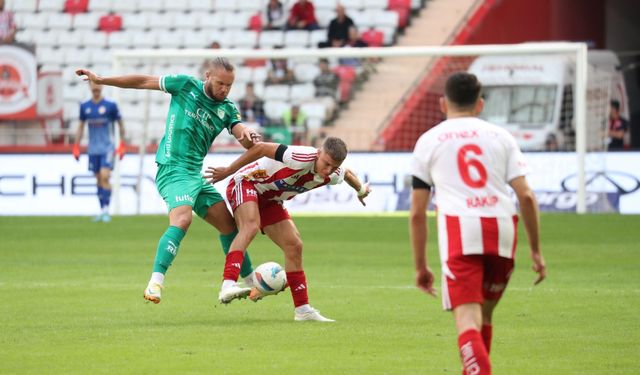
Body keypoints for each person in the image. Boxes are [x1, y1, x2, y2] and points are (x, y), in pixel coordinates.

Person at [75, 57, 261, 305]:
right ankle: (155, 282)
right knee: (182, 219)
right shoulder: (185, 85)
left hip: (195, 174)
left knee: (229, 227)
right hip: (173, 169)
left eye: (229, 85)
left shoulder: (227, 108)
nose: (224, 89)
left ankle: (251, 284)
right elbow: (142, 81)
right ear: (207, 76)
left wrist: (248, 135)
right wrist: (102, 80)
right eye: (220, 83)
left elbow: (241, 134)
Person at [409, 72, 546, 374]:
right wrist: (536, 251)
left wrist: (420, 265)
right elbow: (526, 197)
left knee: (467, 321)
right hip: (503, 230)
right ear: (480, 104)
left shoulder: (429, 140)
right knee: (484, 318)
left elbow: (418, 212)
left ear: (443, 104)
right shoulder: (501, 137)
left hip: (462, 230)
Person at [205, 138, 371, 320]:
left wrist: (361, 189)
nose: (328, 170)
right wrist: (228, 171)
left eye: (334, 166)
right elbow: (260, 148)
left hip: (270, 199)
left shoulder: (333, 173)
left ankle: (303, 310)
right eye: (327, 163)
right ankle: (228, 285)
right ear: (318, 153)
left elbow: (346, 174)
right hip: (246, 182)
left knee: (294, 245)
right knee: (250, 226)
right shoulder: (299, 156)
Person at [73, 81, 126, 223]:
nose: (96, 87)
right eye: (93, 85)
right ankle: (102, 209)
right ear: (89, 86)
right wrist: (76, 146)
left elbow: (120, 124)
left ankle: (106, 210)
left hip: (107, 148)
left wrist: (122, 144)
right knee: (98, 179)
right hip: (93, 150)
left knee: (105, 176)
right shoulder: (85, 107)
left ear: (102, 86)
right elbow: (80, 126)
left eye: (98, 84)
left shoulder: (111, 106)